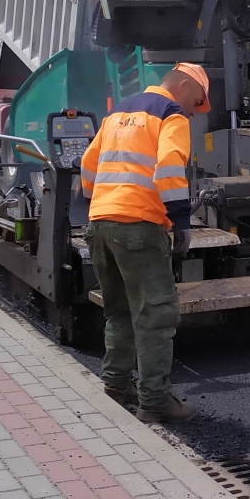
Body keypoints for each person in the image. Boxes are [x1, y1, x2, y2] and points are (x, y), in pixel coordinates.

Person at [80, 63, 210, 423]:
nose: (193, 111)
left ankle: (115, 383)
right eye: (196, 101)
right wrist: (181, 220)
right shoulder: (171, 114)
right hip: (138, 225)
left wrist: (102, 202)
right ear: (184, 85)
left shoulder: (118, 112)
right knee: (155, 314)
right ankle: (154, 402)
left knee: (119, 310)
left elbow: (88, 166)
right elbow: (169, 168)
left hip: (100, 222)